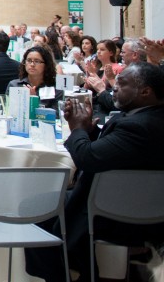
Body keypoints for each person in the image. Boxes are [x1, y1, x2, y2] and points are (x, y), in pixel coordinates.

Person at [25, 63, 164, 282]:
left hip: (118, 214)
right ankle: (83, 272)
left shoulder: (140, 126)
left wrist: (78, 129)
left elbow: (88, 159)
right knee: (47, 206)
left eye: (122, 84)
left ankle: (61, 276)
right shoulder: (145, 118)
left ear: (145, 91)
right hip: (140, 205)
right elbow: (113, 152)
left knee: (36, 210)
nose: (113, 88)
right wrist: (90, 131)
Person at [7, 44, 61, 108]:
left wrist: (34, 100)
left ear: (46, 65)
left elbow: (56, 113)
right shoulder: (14, 85)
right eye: (29, 60)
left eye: (37, 61)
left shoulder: (55, 88)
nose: (32, 64)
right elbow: (8, 110)